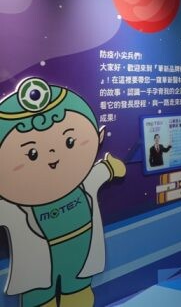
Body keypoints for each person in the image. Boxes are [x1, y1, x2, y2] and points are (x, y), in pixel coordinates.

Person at [0, 77, 126, 307]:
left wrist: (111, 167)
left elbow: (106, 170)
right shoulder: (14, 207)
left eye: (69, 141)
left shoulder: (84, 183)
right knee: (40, 296)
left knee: (77, 290)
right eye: (32, 154)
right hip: (38, 271)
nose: (53, 157)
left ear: (97, 137)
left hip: (80, 259)